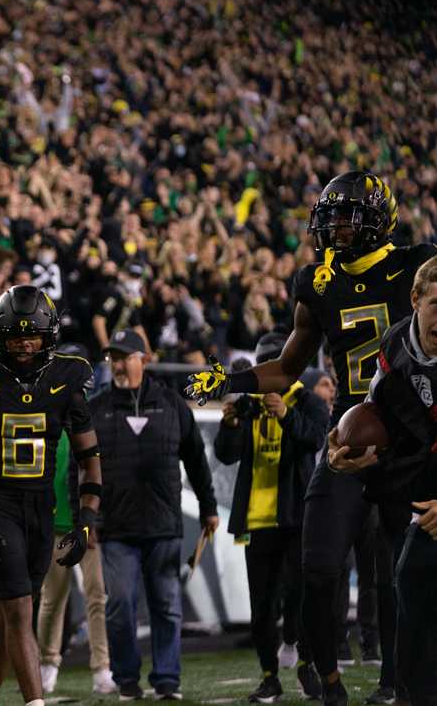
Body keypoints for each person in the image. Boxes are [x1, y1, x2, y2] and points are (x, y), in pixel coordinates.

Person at [187, 171, 436, 705]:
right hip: (348, 434)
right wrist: (229, 381)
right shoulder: (316, 282)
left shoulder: (418, 266)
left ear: (377, 219)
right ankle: (327, 678)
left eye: (348, 220)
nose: (337, 231)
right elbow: (289, 365)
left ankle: (398, 681)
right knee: (318, 566)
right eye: (331, 221)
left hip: (412, 434)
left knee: (400, 572)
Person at [0, 285, 101, 706]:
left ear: (48, 335)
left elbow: (90, 459)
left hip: (42, 506)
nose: (23, 343)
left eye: (32, 335)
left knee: (8, 620)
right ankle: (35, 703)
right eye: (15, 335)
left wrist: (87, 521)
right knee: (20, 612)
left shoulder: (67, 376)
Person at [326, 255, 437, 706]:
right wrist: (346, 453)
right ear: (415, 300)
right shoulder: (394, 347)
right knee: (410, 575)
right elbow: (372, 417)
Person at [95, 329, 219, 700]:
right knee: (118, 606)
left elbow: (197, 459)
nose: (117, 364)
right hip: (115, 526)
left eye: (125, 356)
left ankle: (167, 679)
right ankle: (126, 677)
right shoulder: (96, 407)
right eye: (113, 357)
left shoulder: (171, 404)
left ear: (144, 360)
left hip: (164, 525)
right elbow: (81, 469)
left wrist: (209, 507)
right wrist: (86, 517)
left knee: (167, 607)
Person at [213, 333, 328, 702]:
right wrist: (229, 425)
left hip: (296, 514)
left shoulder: (308, 401)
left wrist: (286, 414)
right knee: (261, 605)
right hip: (257, 517)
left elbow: (315, 438)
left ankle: (303, 658)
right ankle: (268, 676)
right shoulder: (247, 406)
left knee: (300, 593)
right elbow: (226, 455)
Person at [37, 433, 115, 696]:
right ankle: (47, 663)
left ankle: (102, 668)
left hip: (86, 524)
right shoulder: (48, 421)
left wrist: (94, 519)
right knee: (53, 599)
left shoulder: (87, 426)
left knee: (96, 595)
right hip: (56, 524)